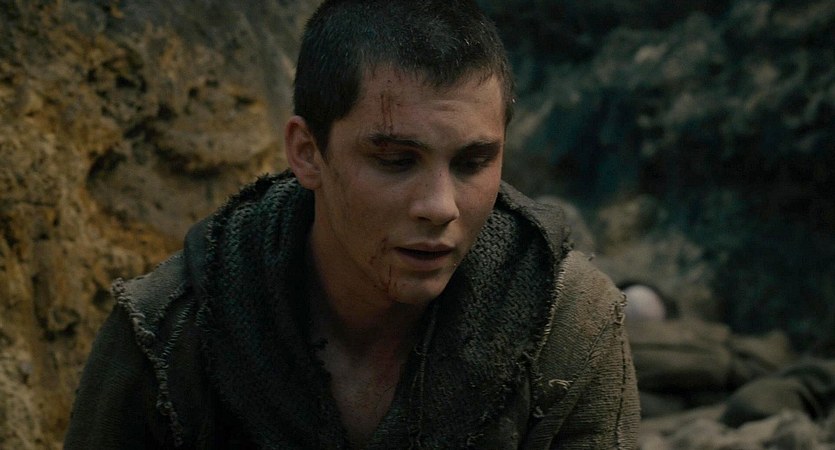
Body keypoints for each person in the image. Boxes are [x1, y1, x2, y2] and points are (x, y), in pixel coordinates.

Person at [64, 0, 639, 448]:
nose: (440, 206)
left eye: (472, 163)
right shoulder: (170, 339)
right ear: (307, 152)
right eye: (396, 160)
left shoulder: (566, 326)